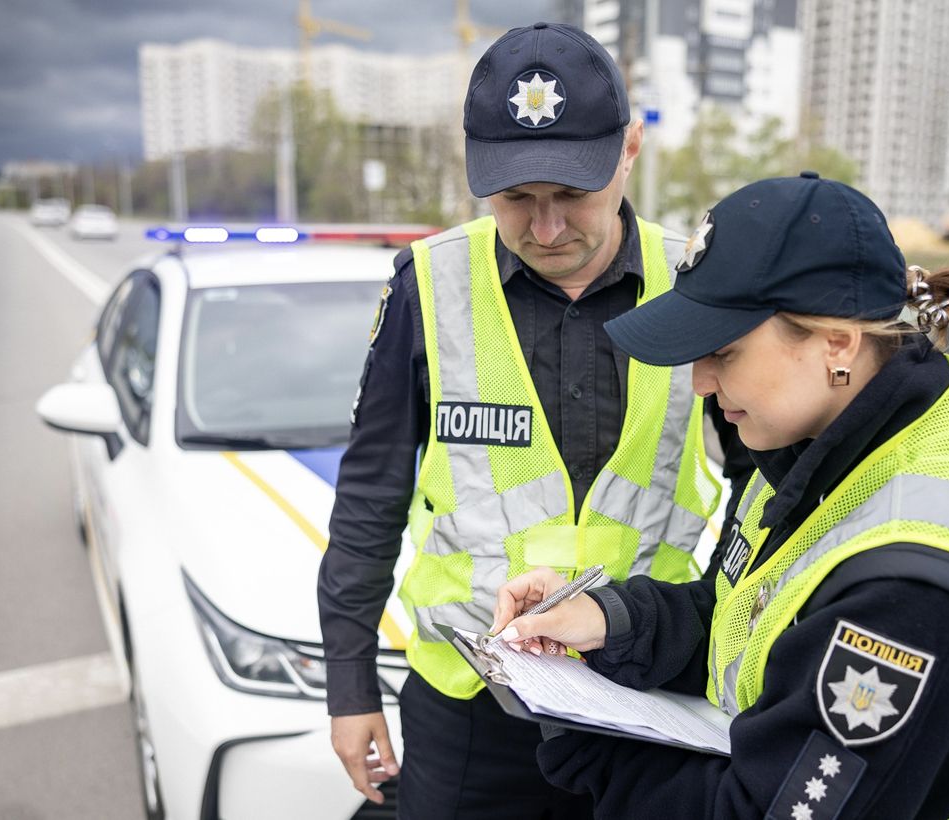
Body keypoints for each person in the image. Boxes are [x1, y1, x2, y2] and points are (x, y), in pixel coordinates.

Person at [492, 174, 949, 819]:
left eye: (723, 351)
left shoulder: (917, 598)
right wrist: (611, 623)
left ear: (838, 342)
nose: (699, 383)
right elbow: (743, 621)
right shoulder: (828, 446)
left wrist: (582, 739)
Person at [317, 21, 749, 818]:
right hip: (470, 713)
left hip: (644, 699)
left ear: (629, 149)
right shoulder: (428, 285)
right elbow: (372, 496)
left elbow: (764, 498)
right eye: (518, 199)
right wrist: (349, 689)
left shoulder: (699, 287)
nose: (546, 229)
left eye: (573, 196)